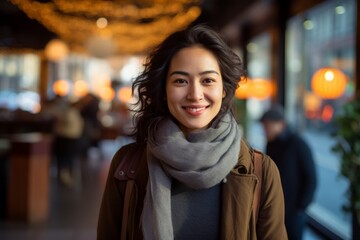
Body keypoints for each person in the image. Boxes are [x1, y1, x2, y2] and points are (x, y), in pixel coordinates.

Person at [97, 24, 287, 240]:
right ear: (163, 90)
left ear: (224, 89)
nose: (195, 94)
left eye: (208, 80)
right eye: (180, 81)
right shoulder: (127, 166)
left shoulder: (262, 171)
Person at [260, 104, 317, 240]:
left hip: (294, 211)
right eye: (264, 126)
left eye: (267, 125)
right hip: (275, 206)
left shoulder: (298, 144)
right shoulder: (271, 144)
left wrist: (301, 207)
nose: (265, 130)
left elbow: (311, 178)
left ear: (281, 124)